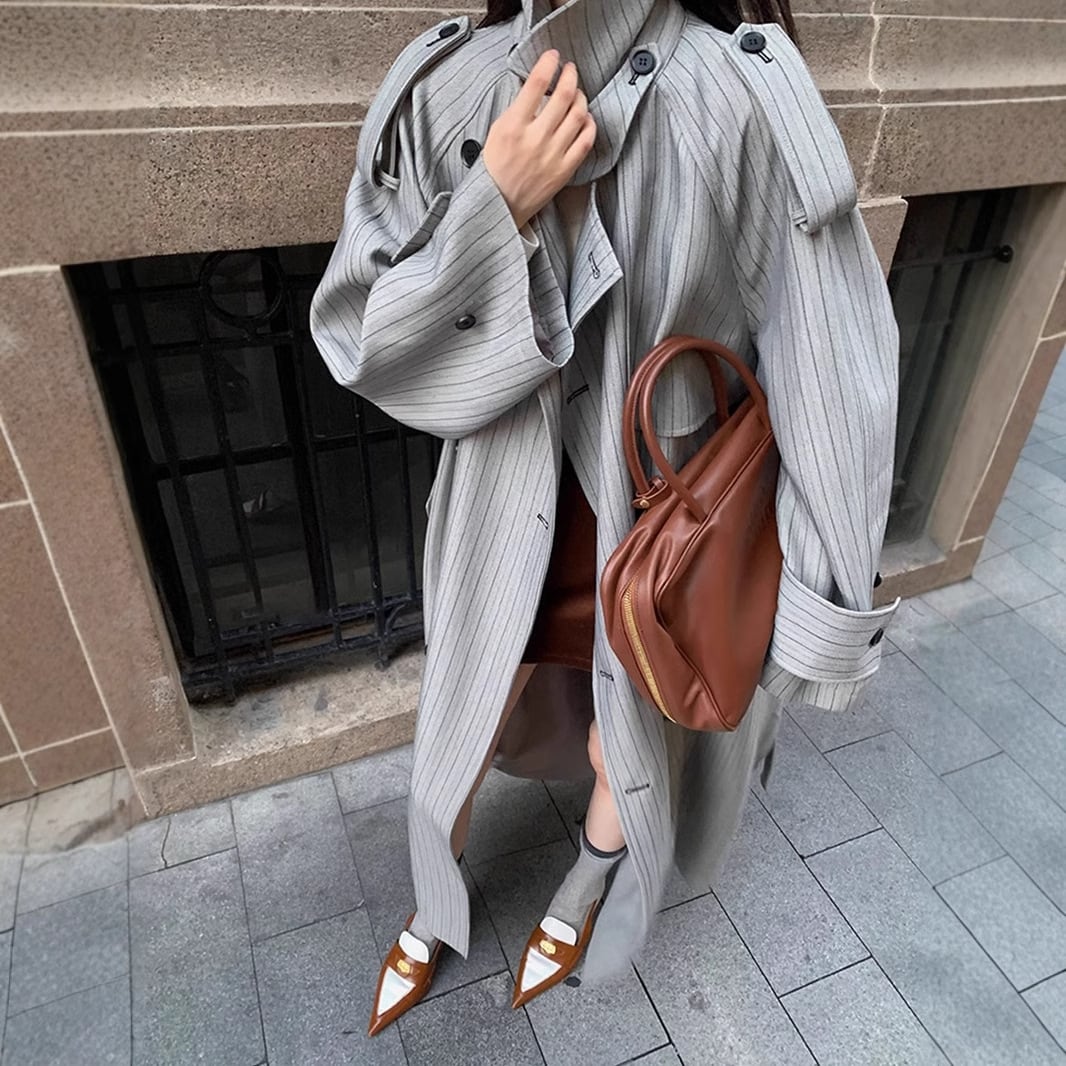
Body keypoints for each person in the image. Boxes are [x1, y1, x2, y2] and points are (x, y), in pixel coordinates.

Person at [309, 0, 902, 1038]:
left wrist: (819, 612)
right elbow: (361, 334)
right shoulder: (442, 84)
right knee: (465, 717)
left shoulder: (741, 95)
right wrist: (493, 206)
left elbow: (827, 358)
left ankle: (583, 893)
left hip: (662, 514)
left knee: (636, 725)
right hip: (501, 495)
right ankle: (434, 902)